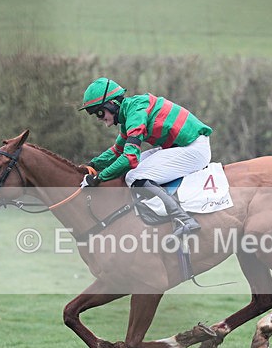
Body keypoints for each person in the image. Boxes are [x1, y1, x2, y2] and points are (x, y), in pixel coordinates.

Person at [78, 77, 212, 236]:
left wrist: (99, 178)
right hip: (183, 147)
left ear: (112, 104)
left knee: (134, 175)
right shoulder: (130, 112)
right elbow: (117, 151)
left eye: (99, 112)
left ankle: (183, 219)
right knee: (130, 173)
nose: (99, 118)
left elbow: (130, 158)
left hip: (194, 149)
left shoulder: (136, 112)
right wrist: (92, 165)